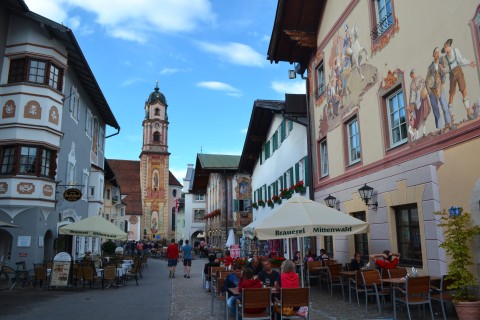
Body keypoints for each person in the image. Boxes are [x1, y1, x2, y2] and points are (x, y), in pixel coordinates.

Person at [442, 38, 477, 120]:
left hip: (459, 72)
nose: (445, 49)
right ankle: (450, 117)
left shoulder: (455, 51)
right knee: (451, 94)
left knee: (464, 91)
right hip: (452, 75)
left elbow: (461, 61)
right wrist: (443, 70)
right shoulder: (445, 58)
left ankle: (469, 112)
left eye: (445, 47)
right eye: (444, 48)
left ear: (448, 46)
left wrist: (469, 63)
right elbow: (447, 69)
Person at [426, 47, 454, 131]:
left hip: (440, 87)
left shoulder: (442, 61)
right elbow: (427, 80)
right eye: (436, 53)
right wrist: (429, 91)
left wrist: (443, 72)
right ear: (433, 55)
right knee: (436, 110)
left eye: (438, 53)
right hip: (432, 90)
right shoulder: (430, 67)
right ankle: (440, 128)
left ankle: (449, 124)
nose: (437, 55)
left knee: (445, 106)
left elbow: (447, 70)